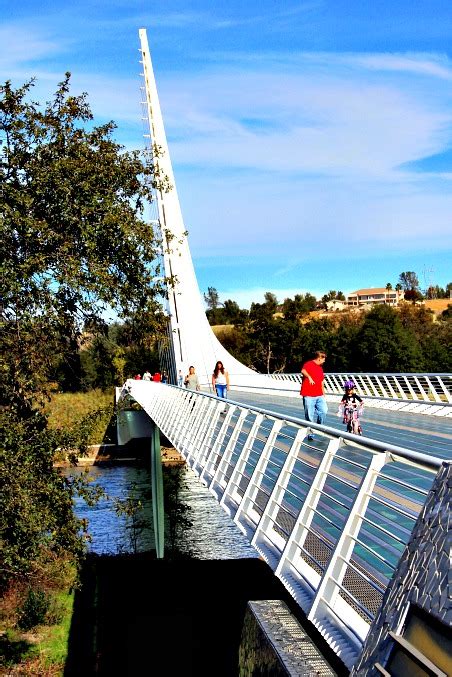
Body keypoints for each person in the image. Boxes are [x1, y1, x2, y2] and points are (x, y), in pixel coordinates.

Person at [300, 351, 328, 440]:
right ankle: (311, 433)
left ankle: (318, 428)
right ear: (319, 358)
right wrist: (309, 377)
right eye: (323, 359)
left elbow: (321, 381)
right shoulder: (309, 364)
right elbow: (303, 371)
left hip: (319, 395)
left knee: (324, 411)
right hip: (308, 395)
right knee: (309, 415)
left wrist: (323, 393)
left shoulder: (320, 368)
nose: (324, 361)